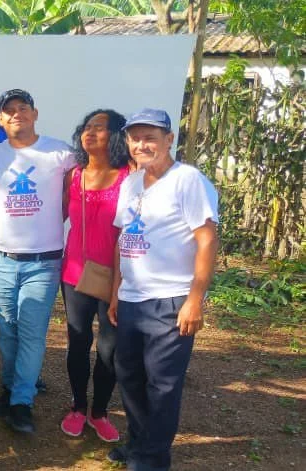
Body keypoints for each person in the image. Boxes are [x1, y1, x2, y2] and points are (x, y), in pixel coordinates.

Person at [107, 109, 219, 470]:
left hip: (170, 300)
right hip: (131, 299)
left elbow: (207, 240)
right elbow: (122, 238)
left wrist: (194, 300)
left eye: (150, 137)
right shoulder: (131, 183)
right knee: (130, 376)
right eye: (135, 137)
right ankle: (140, 443)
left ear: (169, 140)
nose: (142, 144)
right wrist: (115, 292)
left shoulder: (188, 181)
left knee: (163, 386)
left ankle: (151, 460)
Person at [0, 89, 75, 434]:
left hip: (44, 261)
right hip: (1, 259)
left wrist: (57, 217)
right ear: (1, 119)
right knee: (6, 332)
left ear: (35, 114)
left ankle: (22, 402)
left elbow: (86, 181)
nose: (17, 114)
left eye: (24, 108)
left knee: (32, 333)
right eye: (9, 110)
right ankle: (10, 389)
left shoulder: (60, 152)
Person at [59, 109, 131, 442]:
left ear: (115, 135)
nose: (89, 133)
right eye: (86, 127)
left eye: (99, 128)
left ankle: (99, 411)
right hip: (75, 273)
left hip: (118, 277)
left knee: (109, 348)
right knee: (78, 341)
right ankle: (76, 406)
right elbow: (59, 216)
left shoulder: (130, 176)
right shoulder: (73, 176)